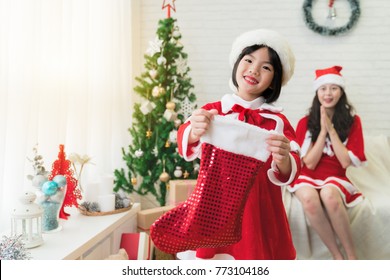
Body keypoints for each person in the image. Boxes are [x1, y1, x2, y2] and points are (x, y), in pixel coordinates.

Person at [176, 29, 301, 260]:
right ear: (237, 64)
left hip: (260, 211)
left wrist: (284, 159)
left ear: (274, 81)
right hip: (216, 206)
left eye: (266, 67)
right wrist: (194, 130)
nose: (254, 69)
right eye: (249, 60)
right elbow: (185, 141)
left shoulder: (277, 122)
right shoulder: (215, 110)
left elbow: (293, 168)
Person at [287, 65, 367, 260]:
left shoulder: (353, 121)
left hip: (335, 175)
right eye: (323, 88)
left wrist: (331, 130)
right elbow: (309, 163)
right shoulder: (305, 122)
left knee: (329, 195)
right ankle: (337, 256)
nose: (328, 93)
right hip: (307, 175)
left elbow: (346, 161)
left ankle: (352, 256)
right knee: (308, 199)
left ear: (341, 92)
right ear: (317, 92)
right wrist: (322, 131)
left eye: (334, 88)